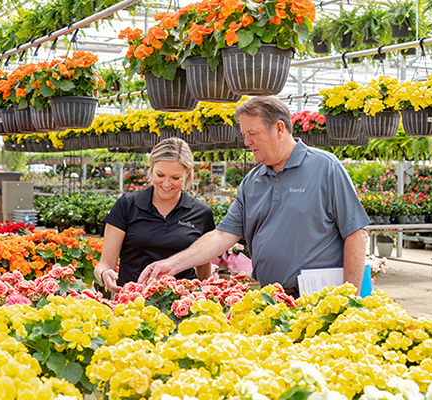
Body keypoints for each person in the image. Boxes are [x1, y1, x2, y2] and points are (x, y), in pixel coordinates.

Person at [139, 97, 371, 296]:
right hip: (272, 297)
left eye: (252, 133)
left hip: (321, 296)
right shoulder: (252, 181)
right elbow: (222, 235)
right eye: (244, 134)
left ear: (279, 129)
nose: (246, 142)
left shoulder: (324, 167)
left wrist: (348, 296)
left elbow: (356, 233)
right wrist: (171, 264)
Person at [94, 137, 216, 293]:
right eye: (160, 175)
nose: (166, 184)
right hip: (133, 304)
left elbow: (204, 273)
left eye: (175, 178)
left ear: (188, 172)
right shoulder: (127, 205)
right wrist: (105, 274)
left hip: (182, 306)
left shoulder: (201, 213)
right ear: (151, 166)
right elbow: (104, 264)